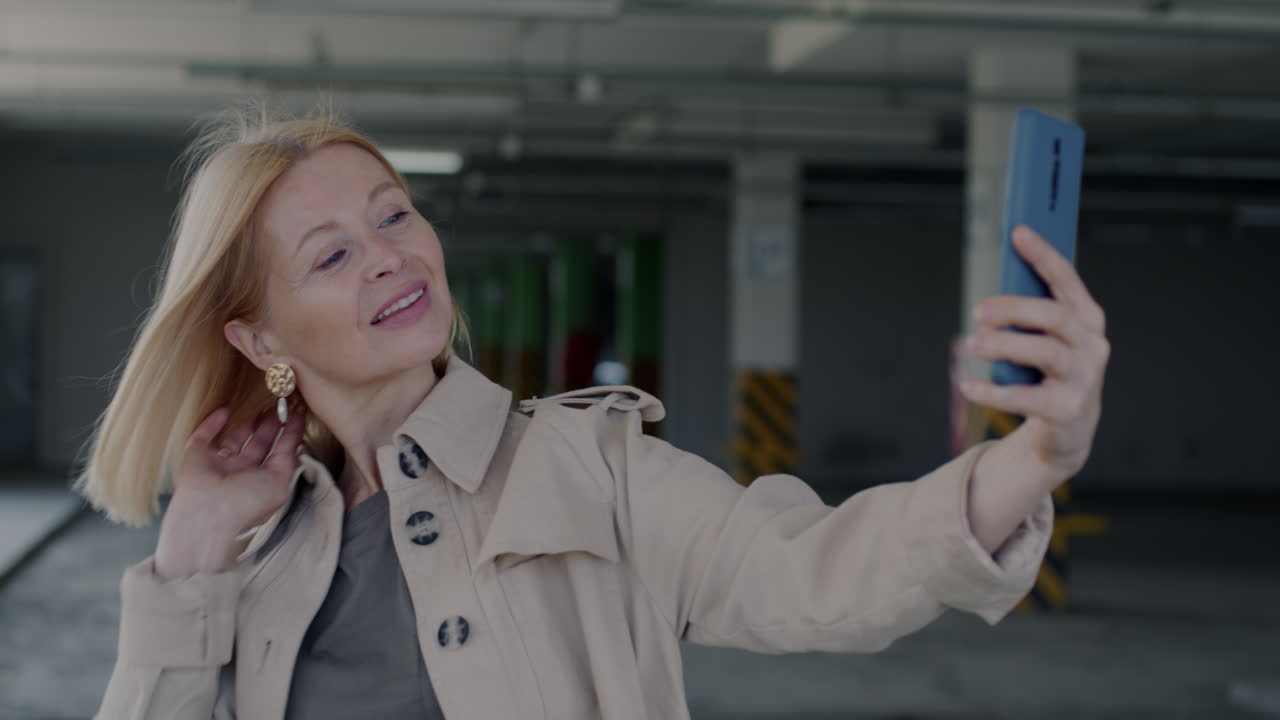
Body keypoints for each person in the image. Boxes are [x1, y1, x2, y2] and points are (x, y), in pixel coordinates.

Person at [78, 105, 1110, 720]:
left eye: (393, 213)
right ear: (261, 341)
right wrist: (194, 550)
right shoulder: (258, 557)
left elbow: (820, 577)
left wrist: (1034, 457)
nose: (389, 253)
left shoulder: (593, 469)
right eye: (332, 253)